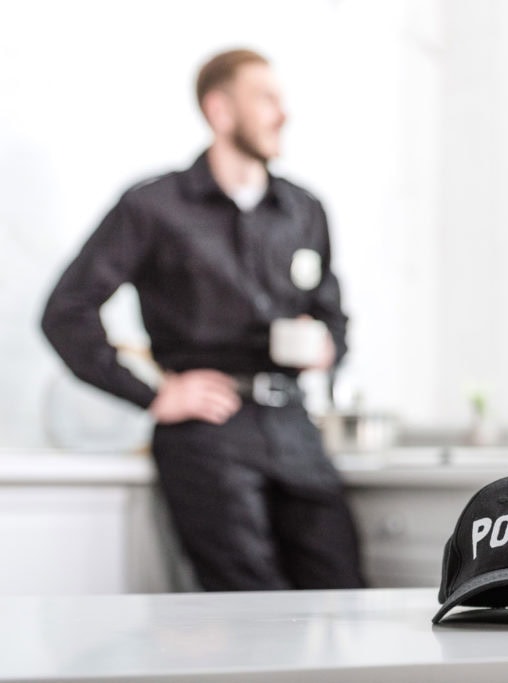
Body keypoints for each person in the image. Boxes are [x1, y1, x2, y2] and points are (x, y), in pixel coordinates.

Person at [41, 48, 365, 591]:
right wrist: (154, 396)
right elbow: (65, 313)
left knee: (345, 596)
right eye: (265, 99)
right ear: (219, 110)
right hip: (207, 437)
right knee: (250, 608)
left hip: (294, 429)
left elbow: (335, 319)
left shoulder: (305, 210)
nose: (282, 114)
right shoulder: (154, 206)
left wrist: (326, 346)